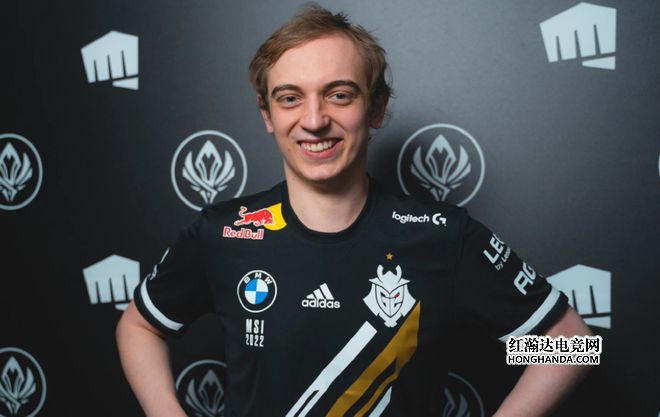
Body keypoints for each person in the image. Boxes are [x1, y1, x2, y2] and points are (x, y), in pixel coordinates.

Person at [116, 5, 592, 416]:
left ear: (376, 108)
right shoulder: (226, 233)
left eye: (339, 94)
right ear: (268, 115)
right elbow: (138, 326)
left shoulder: (441, 236)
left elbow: (569, 345)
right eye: (290, 98)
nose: (314, 120)